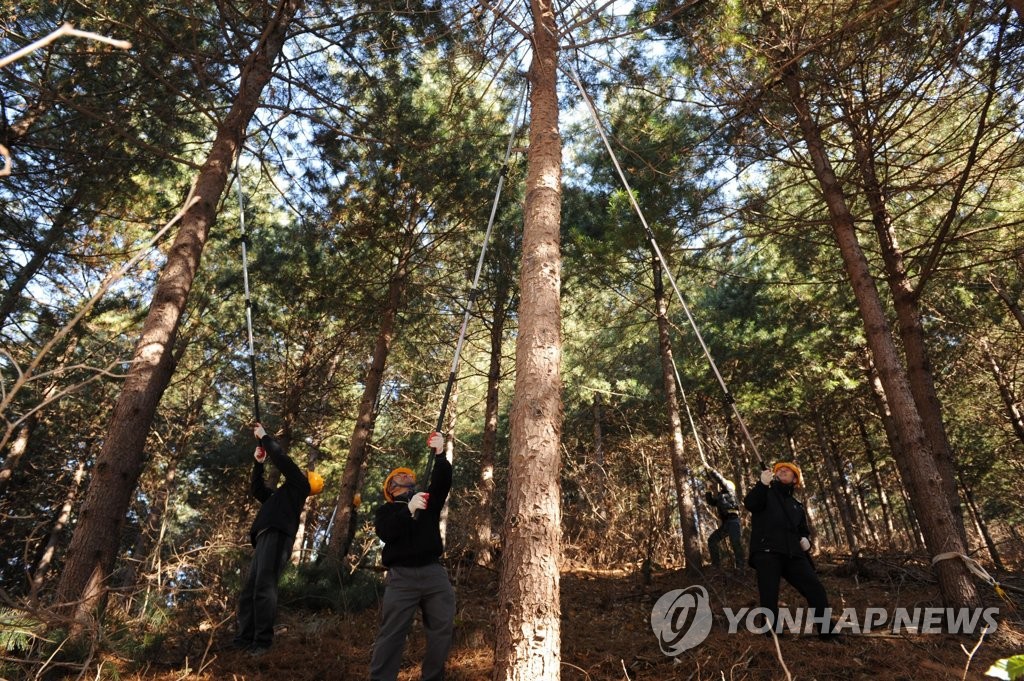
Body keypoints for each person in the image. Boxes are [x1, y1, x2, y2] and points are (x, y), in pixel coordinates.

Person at [369, 431, 455, 681]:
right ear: (391, 487)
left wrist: (440, 455)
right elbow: (386, 532)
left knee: (442, 629)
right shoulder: (385, 511)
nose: (409, 476)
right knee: (392, 633)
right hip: (402, 578)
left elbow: (442, 483)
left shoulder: (426, 502)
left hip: (433, 574)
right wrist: (408, 509)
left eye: (410, 475)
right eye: (402, 475)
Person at [233, 422, 324, 653]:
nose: (303, 472)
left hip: (278, 536)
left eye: (306, 474)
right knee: (250, 589)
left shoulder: (300, 486)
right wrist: (258, 463)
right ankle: (244, 640)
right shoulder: (278, 496)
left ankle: (261, 643)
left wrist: (265, 437)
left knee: (264, 586)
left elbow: (283, 460)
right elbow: (257, 490)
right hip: (265, 536)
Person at [744, 461, 834, 639]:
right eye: (779, 470)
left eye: (788, 471)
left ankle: (827, 632)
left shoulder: (796, 506)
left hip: (793, 554)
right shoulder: (765, 492)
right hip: (767, 550)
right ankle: (772, 633)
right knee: (769, 594)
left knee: (815, 587)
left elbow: (803, 530)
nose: (782, 471)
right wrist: (761, 484)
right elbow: (751, 503)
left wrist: (805, 540)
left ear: (795, 480)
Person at [705, 468, 744, 569]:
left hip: (733, 521)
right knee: (712, 540)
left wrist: (711, 470)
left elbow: (721, 480)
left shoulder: (730, 491)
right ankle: (716, 565)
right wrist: (708, 489)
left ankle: (741, 567)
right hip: (726, 524)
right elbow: (710, 502)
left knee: (735, 543)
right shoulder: (721, 497)